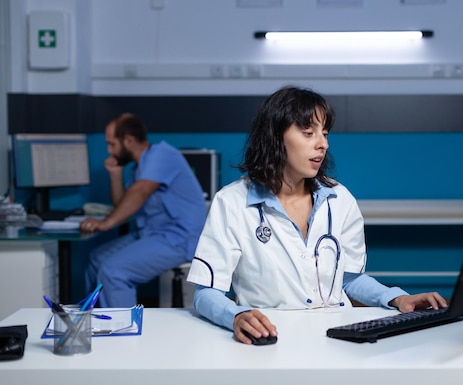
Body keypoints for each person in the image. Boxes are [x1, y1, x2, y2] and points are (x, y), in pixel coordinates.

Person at [187, 86, 447, 345]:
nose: (323, 144)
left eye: (324, 133)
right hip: (271, 338)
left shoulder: (339, 199)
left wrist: (397, 298)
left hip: (337, 338)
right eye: (308, 132)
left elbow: (349, 279)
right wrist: (236, 315)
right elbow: (206, 291)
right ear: (275, 137)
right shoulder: (232, 202)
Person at [81, 113, 207, 307]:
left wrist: (106, 223)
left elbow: (139, 193)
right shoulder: (139, 167)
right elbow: (123, 203)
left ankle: (122, 332)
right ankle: (93, 322)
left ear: (129, 141)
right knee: (96, 259)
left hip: (179, 238)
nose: (109, 150)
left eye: (112, 144)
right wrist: (115, 174)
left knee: (114, 271)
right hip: (150, 234)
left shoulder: (162, 155)